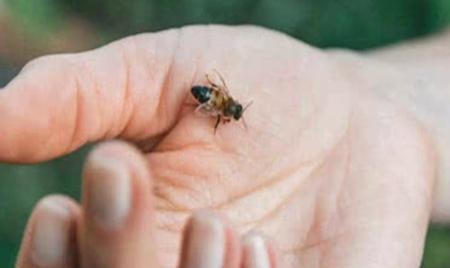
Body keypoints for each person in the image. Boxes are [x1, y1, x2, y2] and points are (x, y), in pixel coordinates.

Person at [6, 25, 450, 267]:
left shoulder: (222, 106)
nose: (231, 111)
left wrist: (386, 108)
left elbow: (214, 99)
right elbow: (213, 97)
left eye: (230, 110)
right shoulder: (220, 104)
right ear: (230, 104)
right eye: (232, 110)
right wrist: (382, 101)